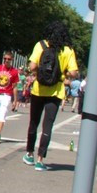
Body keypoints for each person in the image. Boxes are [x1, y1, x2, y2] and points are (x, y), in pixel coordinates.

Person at [23, 21, 79, 171]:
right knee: (48, 125)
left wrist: (40, 71)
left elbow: (32, 66)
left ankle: (29, 154)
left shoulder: (41, 45)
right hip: (56, 92)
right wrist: (62, 74)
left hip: (38, 90)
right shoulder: (68, 50)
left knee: (33, 122)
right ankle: (40, 160)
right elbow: (74, 73)